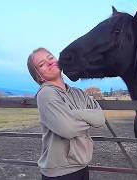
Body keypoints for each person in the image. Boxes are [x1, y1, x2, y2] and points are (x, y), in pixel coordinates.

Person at [27, 47, 105, 180]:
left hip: (82, 166)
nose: (49, 62)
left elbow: (100, 119)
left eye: (50, 58)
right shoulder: (46, 94)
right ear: (38, 76)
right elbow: (68, 129)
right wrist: (86, 117)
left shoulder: (79, 93)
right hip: (60, 173)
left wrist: (72, 114)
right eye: (42, 64)